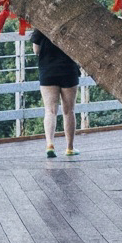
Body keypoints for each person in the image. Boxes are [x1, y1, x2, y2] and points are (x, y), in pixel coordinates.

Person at [30, 27, 81, 158]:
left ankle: (50, 144)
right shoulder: (73, 25)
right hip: (68, 69)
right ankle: (69, 148)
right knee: (69, 111)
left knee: (50, 111)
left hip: (48, 71)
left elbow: (36, 50)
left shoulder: (41, 26)